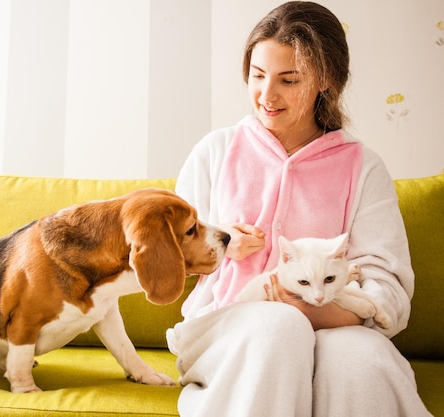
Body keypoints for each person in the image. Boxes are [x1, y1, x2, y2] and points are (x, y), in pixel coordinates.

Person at [165, 2, 432, 416]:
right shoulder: (214, 153)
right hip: (225, 327)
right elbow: (168, 263)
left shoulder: (363, 168)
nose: (266, 95)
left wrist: (316, 310)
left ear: (325, 79)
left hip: (338, 326)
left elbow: (387, 288)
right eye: (257, 75)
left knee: (360, 364)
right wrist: (215, 246)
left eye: (288, 80)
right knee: (279, 329)